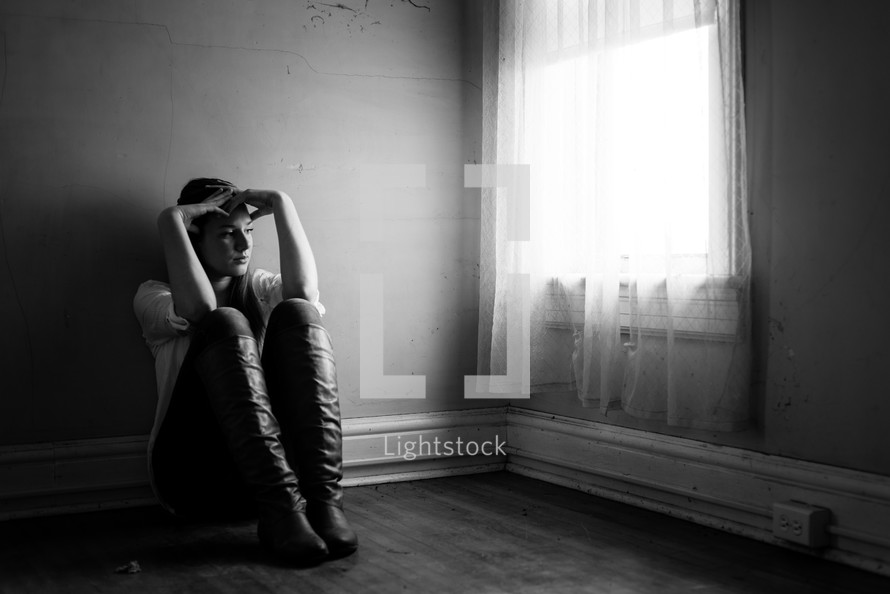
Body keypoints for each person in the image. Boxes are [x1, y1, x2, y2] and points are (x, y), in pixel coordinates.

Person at [133, 178, 356, 566]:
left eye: (248, 231)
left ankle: (324, 503)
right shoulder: (154, 297)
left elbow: (303, 292)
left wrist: (282, 203)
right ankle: (282, 509)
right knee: (224, 322)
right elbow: (200, 310)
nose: (244, 244)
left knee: (299, 310)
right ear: (192, 239)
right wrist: (171, 220)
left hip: (289, 493)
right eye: (226, 234)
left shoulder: (259, 287)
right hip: (194, 478)